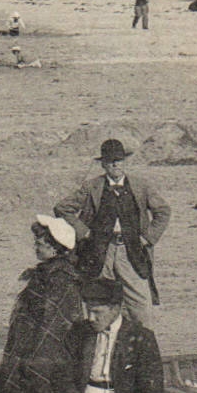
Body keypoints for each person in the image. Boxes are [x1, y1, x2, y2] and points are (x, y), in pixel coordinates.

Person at [54, 139, 171, 329]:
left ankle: (145, 346)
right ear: (103, 164)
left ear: (125, 162)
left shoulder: (141, 186)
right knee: (98, 301)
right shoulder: (92, 186)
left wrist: (148, 237)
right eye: (110, 161)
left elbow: (163, 211)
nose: (116, 164)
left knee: (141, 304)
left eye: (119, 160)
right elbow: (62, 208)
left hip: (131, 251)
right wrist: (83, 232)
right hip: (101, 252)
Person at [0, 215, 87, 393]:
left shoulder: (61, 279)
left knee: (36, 381)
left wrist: (32, 360)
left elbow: (52, 326)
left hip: (47, 349)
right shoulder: (45, 273)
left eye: (40, 243)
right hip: (31, 342)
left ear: (55, 247)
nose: (36, 246)